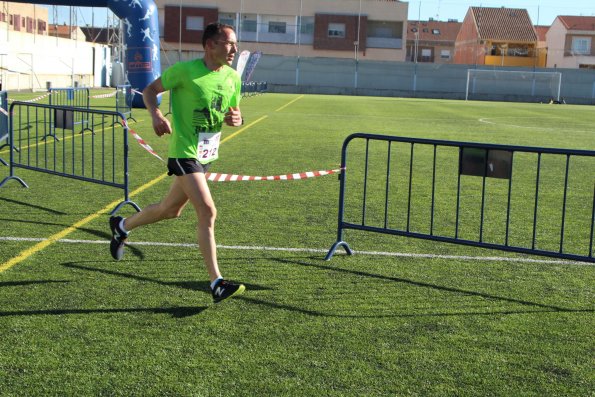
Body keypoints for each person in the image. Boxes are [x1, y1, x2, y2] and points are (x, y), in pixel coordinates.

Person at [109, 22, 245, 303]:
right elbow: (149, 91)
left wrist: (236, 119)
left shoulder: (232, 77)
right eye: (228, 43)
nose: (234, 49)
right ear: (209, 45)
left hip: (206, 155)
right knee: (207, 211)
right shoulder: (185, 71)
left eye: (235, 43)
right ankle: (216, 282)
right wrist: (156, 115)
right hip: (184, 152)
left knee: (169, 210)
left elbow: (234, 112)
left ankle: (122, 226)